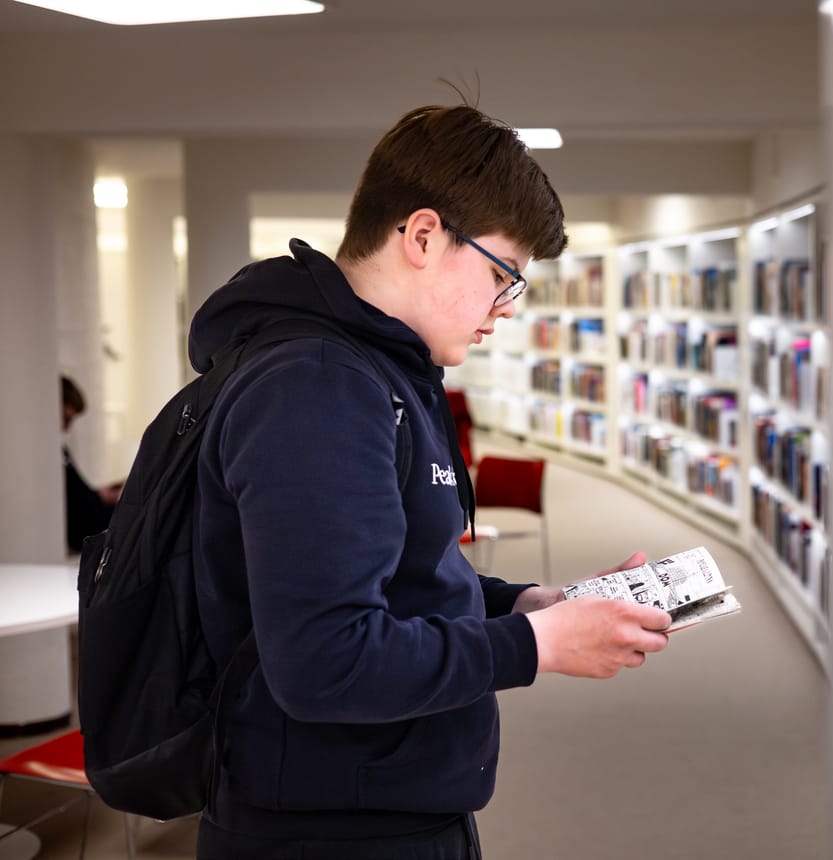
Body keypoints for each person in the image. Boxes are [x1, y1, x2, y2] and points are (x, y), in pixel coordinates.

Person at [188, 102, 672, 860]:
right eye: (500, 276)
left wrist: (525, 603)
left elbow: (403, 574)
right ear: (422, 236)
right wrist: (535, 645)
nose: (503, 311)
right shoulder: (317, 387)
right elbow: (327, 660)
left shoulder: (380, 373)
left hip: (386, 805)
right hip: (332, 831)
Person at [60, 374, 121, 553]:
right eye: (66, 418)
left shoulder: (60, 452)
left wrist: (98, 495)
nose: (66, 427)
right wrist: (98, 497)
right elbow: (73, 503)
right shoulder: (48, 455)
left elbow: (76, 491)